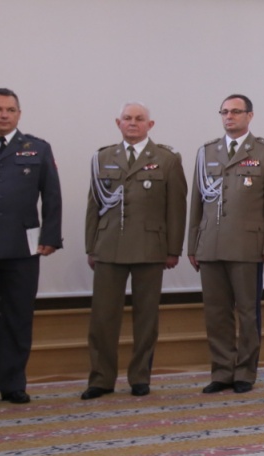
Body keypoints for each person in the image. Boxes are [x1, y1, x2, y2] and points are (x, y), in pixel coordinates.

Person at [81, 102, 188, 400]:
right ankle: (101, 378)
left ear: (150, 125)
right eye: (127, 118)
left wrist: (173, 249)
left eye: (139, 119)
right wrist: (91, 246)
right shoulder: (102, 158)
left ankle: (140, 377)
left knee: (146, 318)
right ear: (118, 123)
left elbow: (176, 208)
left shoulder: (167, 159)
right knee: (102, 318)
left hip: (150, 248)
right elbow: (94, 207)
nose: (133, 123)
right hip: (108, 247)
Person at [0, 88, 63, 408]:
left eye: (10, 110)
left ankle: (13, 383)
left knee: (17, 317)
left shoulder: (36, 148)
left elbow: (51, 196)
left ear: (19, 114)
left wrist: (50, 237)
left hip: (22, 249)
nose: (4, 115)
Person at [188, 94, 264, 394]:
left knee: (247, 312)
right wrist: (193, 244)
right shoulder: (206, 152)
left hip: (246, 246)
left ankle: (245, 372)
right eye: (225, 112)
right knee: (216, 312)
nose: (230, 117)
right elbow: (197, 203)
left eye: (236, 112)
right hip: (211, 245)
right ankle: (221, 370)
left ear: (249, 116)